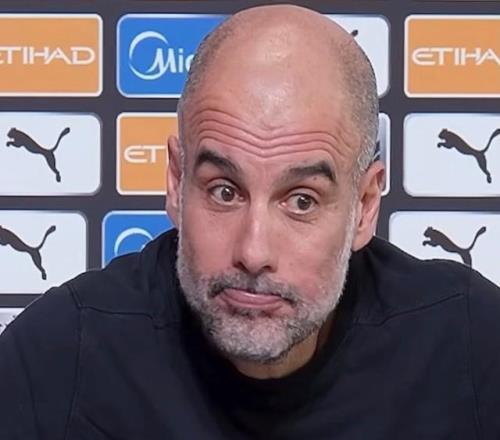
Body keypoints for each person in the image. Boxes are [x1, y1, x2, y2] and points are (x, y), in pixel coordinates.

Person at [1, 4, 499, 439]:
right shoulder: (58, 359)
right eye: (224, 191)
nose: (254, 251)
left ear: (365, 205)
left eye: (301, 201)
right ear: (176, 182)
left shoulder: (472, 347)